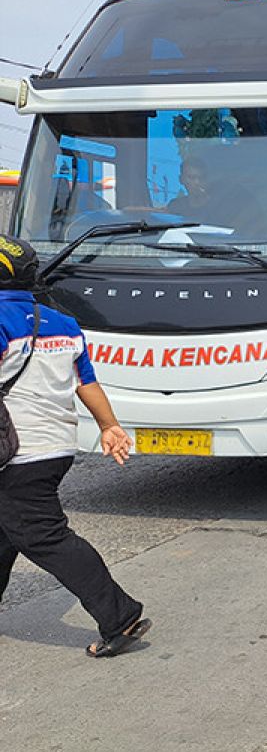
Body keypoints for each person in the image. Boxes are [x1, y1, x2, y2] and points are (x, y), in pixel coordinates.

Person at [0, 236, 150, 658]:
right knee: (5, 530)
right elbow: (87, 382)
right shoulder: (61, 322)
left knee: (43, 536)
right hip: (55, 448)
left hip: (16, 454)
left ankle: (120, 615)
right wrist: (110, 426)